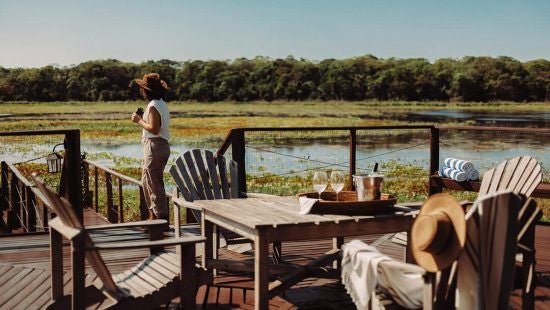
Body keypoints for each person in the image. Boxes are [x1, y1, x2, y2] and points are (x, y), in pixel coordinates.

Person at [131, 73, 170, 220]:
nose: (141, 91)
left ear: (147, 90)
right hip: (159, 146)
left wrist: (138, 120)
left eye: (143, 88)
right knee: (149, 182)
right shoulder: (161, 104)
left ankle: (160, 221)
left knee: (154, 185)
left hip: (154, 146)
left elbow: (154, 128)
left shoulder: (153, 105)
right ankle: (154, 217)